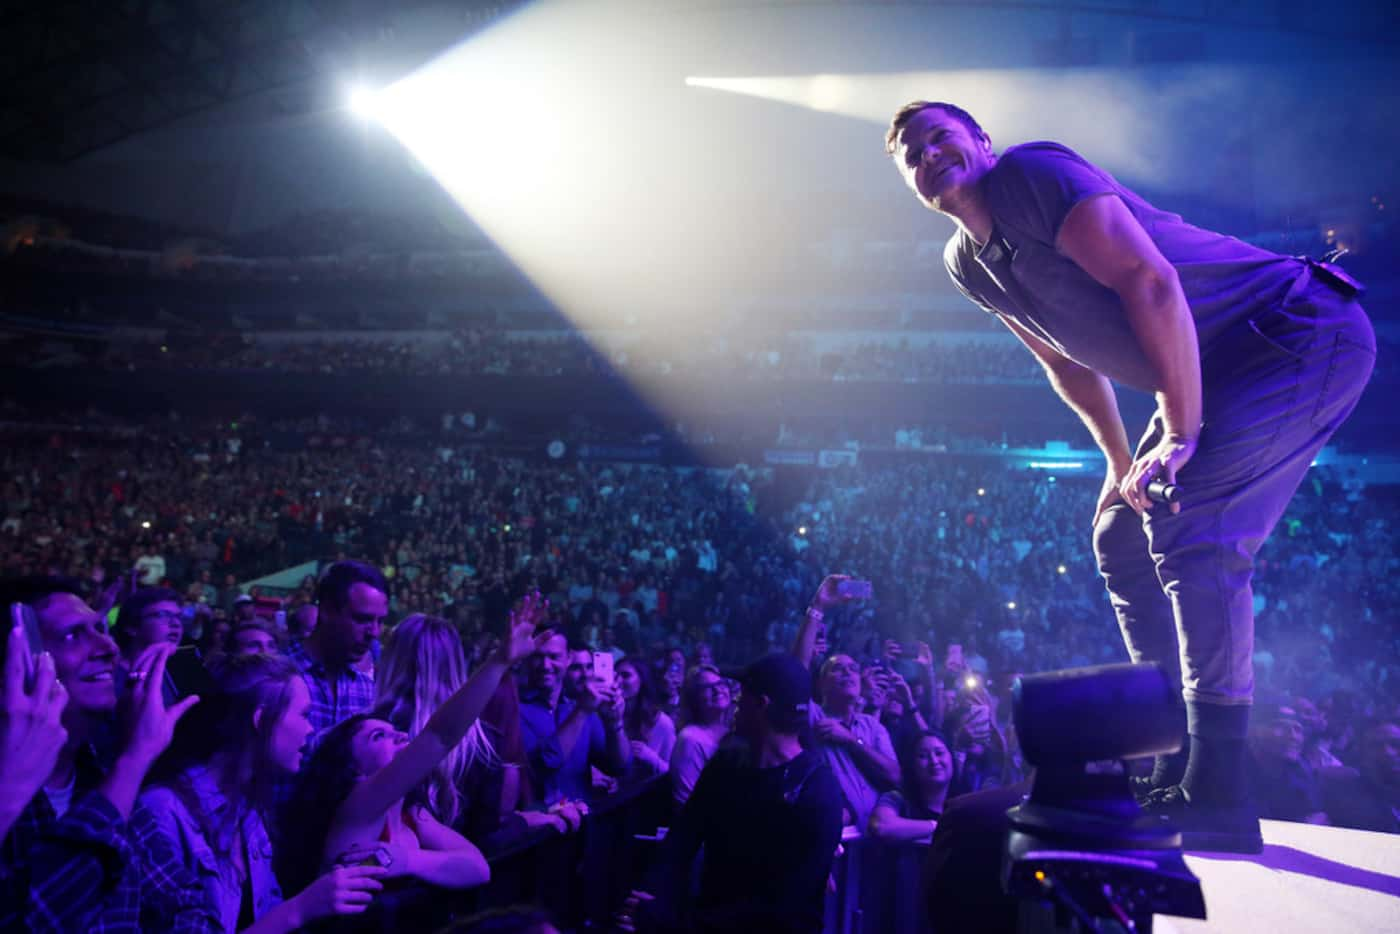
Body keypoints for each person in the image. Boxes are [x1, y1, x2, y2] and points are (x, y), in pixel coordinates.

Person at [885, 100, 1375, 852]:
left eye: (941, 136)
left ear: (982, 140)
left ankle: (1221, 788)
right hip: (1217, 365)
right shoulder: (965, 262)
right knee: (1120, 529)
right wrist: (1120, 467)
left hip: (1294, 330)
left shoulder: (1030, 175)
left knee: (1193, 518)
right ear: (909, 181)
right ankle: (1168, 754)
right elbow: (1064, 361)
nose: (928, 153)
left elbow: (1149, 282)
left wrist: (1178, 433)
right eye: (911, 153)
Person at [277, 595, 548, 901]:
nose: (401, 736)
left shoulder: (411, 814)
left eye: (396, 733)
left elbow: (477, 868)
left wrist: (406, 860)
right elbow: (439, 736)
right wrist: (499, 662)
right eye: (378, 737)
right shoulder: (359, 808)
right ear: (352, 770)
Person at [0, 577, 218, 932]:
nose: (108, 647)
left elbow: (187, 903)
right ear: (19, 662)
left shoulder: (94, 774)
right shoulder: (19, 790)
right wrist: (135, 758)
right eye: (73, 635)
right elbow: (44, 921)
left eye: (100, 629)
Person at [141, 654, 388, 931]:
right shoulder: (162, 810)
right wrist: (302, 907)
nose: (310, 729)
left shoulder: (246, 805)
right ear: (261, 720)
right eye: (304, 714)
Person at [620, 652, 843, 934]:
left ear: (761, 705)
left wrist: (674, 923)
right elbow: (683, 837)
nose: (735, 701)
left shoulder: (815, 789)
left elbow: (787, 903)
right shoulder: (727, 765)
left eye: (744, 694)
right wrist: (649, 896)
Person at [792, 578, 900, 828]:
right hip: (834, 843)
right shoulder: (812, 717)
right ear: (821, 684)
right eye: (837, 669)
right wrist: (817, 606)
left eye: (852, 669)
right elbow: (796, 672)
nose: (847, 673)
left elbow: (894, 775)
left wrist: (851, 740)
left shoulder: (872, 727)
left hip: (875, 847)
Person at [519, 630, 631, 805]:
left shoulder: (577, 709)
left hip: (582, 826)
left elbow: (619, 766)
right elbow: (543, 765)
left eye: (554, 656)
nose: (546, 665)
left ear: (568, 659)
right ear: (526, 659)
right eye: (537, 657)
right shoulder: (516, 708)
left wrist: (615, 724)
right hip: (538, 828)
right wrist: (583, 710)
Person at [289, 560, 386, 736]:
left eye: (380, 621)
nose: (374, 632)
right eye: (362, 619)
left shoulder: (367, 690)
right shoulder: (278, 674)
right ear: (326, 611)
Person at [866, 731, 955, 843]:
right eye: (923, 756)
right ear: (912, 764)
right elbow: (880, 825)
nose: (934, 761)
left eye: (939, 753)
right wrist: (936, 826)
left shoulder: (964, 800)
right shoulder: (897, 798)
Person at [1320, 717, 1400, 834]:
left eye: (1395, 744)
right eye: (1376, 746)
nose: (1388, 752)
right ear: (1362, 754)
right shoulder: (1347, 800)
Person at [669, 664, 732, 808]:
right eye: (707, 687)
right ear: (694, 699)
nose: (717, 690)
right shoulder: (690, 739)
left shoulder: (734, 730)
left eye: (720, 683)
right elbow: (685, 803)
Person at [617, 656, 675, 778]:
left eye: (626, 675)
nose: (618, 681)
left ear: (642, 680)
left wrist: (650, 757)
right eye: (615, 676)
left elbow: (674, 774)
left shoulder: (662, 722)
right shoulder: (608, 717)